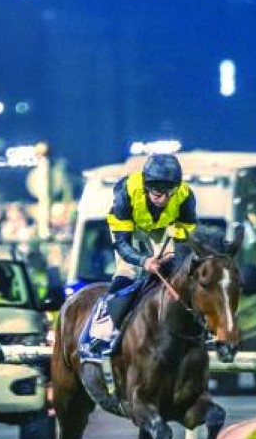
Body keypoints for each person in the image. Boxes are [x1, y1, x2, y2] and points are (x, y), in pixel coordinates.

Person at [82, 152, 198, 360]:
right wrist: (144, 261)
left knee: (180, 273)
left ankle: (198, 329)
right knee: (128, 273)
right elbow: (122, 244)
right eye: (157, 192)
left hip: (163, 228)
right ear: (146, 187)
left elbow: (186, 232)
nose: (163, 199)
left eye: (169, 192)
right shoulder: (126, 193)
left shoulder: (185, 195)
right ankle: (100, 333)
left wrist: (174, 258)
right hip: (130, 230)